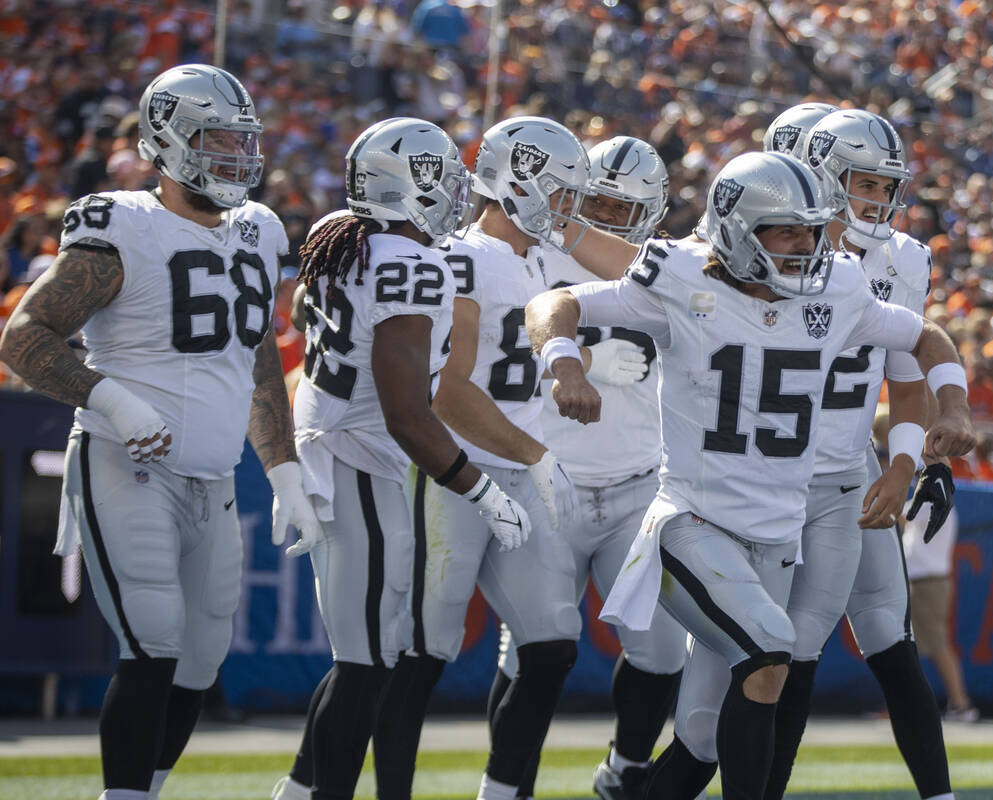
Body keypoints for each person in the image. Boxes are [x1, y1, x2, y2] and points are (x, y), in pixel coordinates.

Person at [526, 150, 976, 800]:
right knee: (771, 652)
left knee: (703, 736)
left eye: (810, 228)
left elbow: (925, 335)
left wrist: (954, 403)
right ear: (737, 229)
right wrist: (566, 364)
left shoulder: (839, 285)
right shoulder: (681, 276)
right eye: (787, 230)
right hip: (691, 525)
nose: (806, 245)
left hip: (776, 539)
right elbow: (557, 302)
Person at [0, 64, 323, 800]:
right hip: (126, 459)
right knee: (153, 642)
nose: (235, 157)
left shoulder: (259, 229)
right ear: (166, 141)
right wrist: (110, 399)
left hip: (211, 476)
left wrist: (282, 470)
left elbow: (259, 360)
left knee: (201, 663)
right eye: (215, 139)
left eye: (242, 141)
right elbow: (24, 337)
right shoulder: (124, 225)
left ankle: (142, 789)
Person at [656, 108, 961, 800]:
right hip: (743, 490)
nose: (878, 202)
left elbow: (914, 367)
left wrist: (916, 460)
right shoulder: (731, 258)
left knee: (828, 648)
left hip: (842, 478)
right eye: (863, 184)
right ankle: (631, 773)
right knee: (720, 699)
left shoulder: (894, 264)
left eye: (886, 187)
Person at [373, 116, 639, 800]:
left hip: (518, 471)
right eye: (557, 193)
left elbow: (638, 267)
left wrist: (530, 459)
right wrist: (539, 455)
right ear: (514, 182)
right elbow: (447, 392)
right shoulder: (463, 258)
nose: (567, 209)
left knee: (550, 645)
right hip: (451, 471)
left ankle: (498, 793)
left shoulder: (538, 259)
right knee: (423, 652)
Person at [269, 118, 533, 800]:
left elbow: (305, 318)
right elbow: (407, 412)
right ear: (408, 185)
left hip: (333, 444)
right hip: (361, 456)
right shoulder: (408, 262)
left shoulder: (341, 233)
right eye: (441, 179)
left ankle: (300, 793)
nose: (452, 192)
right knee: (365, 663)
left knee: (366, 658)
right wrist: (483, 493)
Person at [488, 135, 686, 800]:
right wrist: (576, 358)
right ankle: (508, 786)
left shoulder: (665, 268)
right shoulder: (532, 251)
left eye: (624, 207)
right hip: (551, 478)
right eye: (598, 201)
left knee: (660, 651)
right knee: (531, 652)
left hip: (637, 483)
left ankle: (626, 767)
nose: (608, 216)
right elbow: (486, 337)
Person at [904, 503, 979, 722]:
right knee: (917, 645)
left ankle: (960, 703)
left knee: (935, 645)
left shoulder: (930, 499)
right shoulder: (938, 497)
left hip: (927, 581)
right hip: (928, 580)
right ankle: (952, 703)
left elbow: (895, 513)